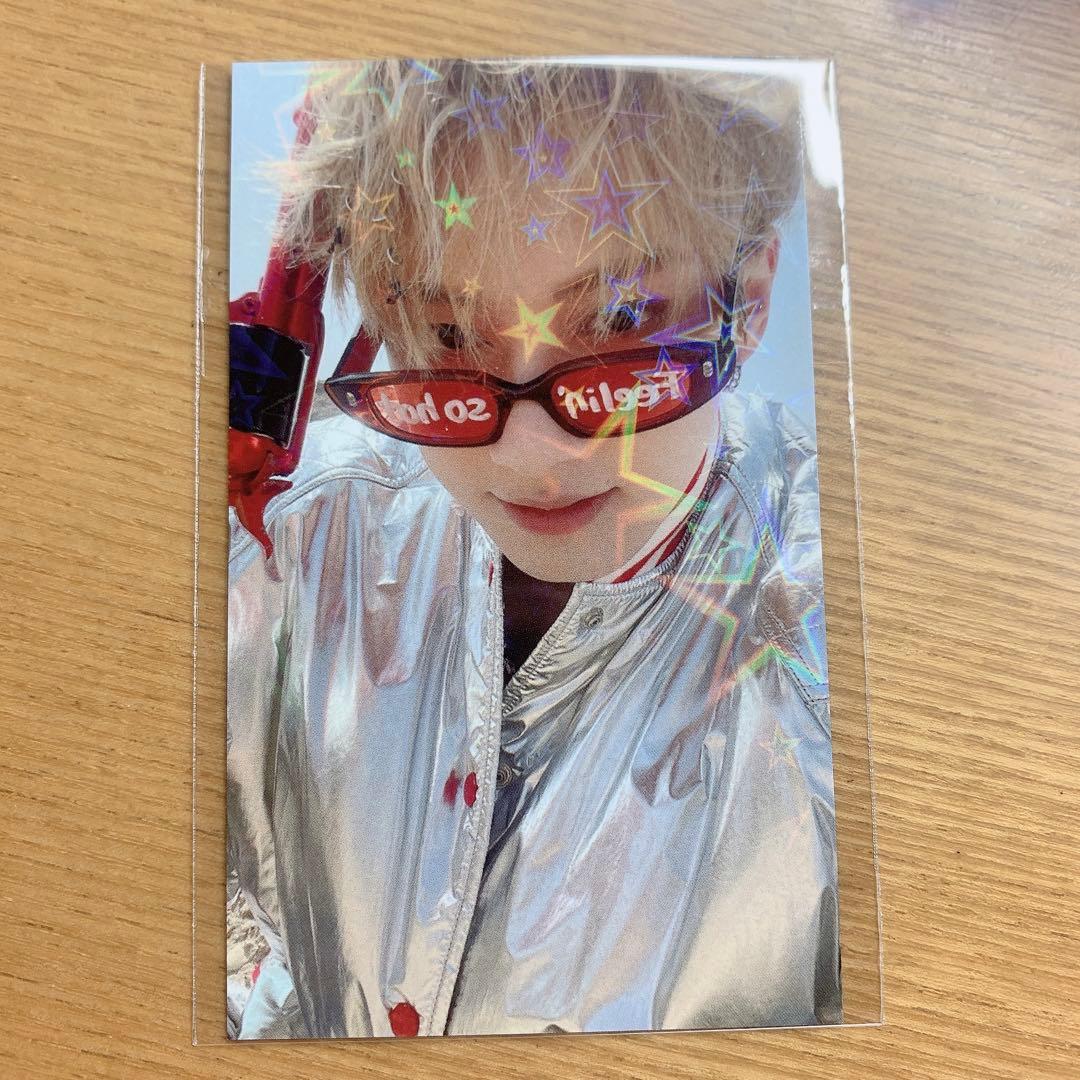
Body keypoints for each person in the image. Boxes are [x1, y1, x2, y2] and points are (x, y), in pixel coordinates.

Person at [227, 57, 841, 1039]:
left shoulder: (847, 662)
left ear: (752, 296)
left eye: (621, 318)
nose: (529, 453)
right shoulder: (294, 537)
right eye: (447, 333)